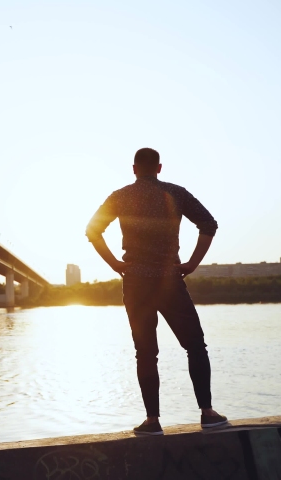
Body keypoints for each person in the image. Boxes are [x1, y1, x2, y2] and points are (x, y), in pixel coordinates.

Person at [85, 148, 228, 436]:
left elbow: (92, 230)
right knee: (195, 346)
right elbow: (208, 224)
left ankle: (152, 421)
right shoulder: (176, 192)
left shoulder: (120, 196)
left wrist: (115, 263)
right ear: (159, 168)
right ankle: (208, 414)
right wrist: (192, 263)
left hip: (136, 283)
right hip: (169, 281)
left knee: (146, 353)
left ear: (134, 168)